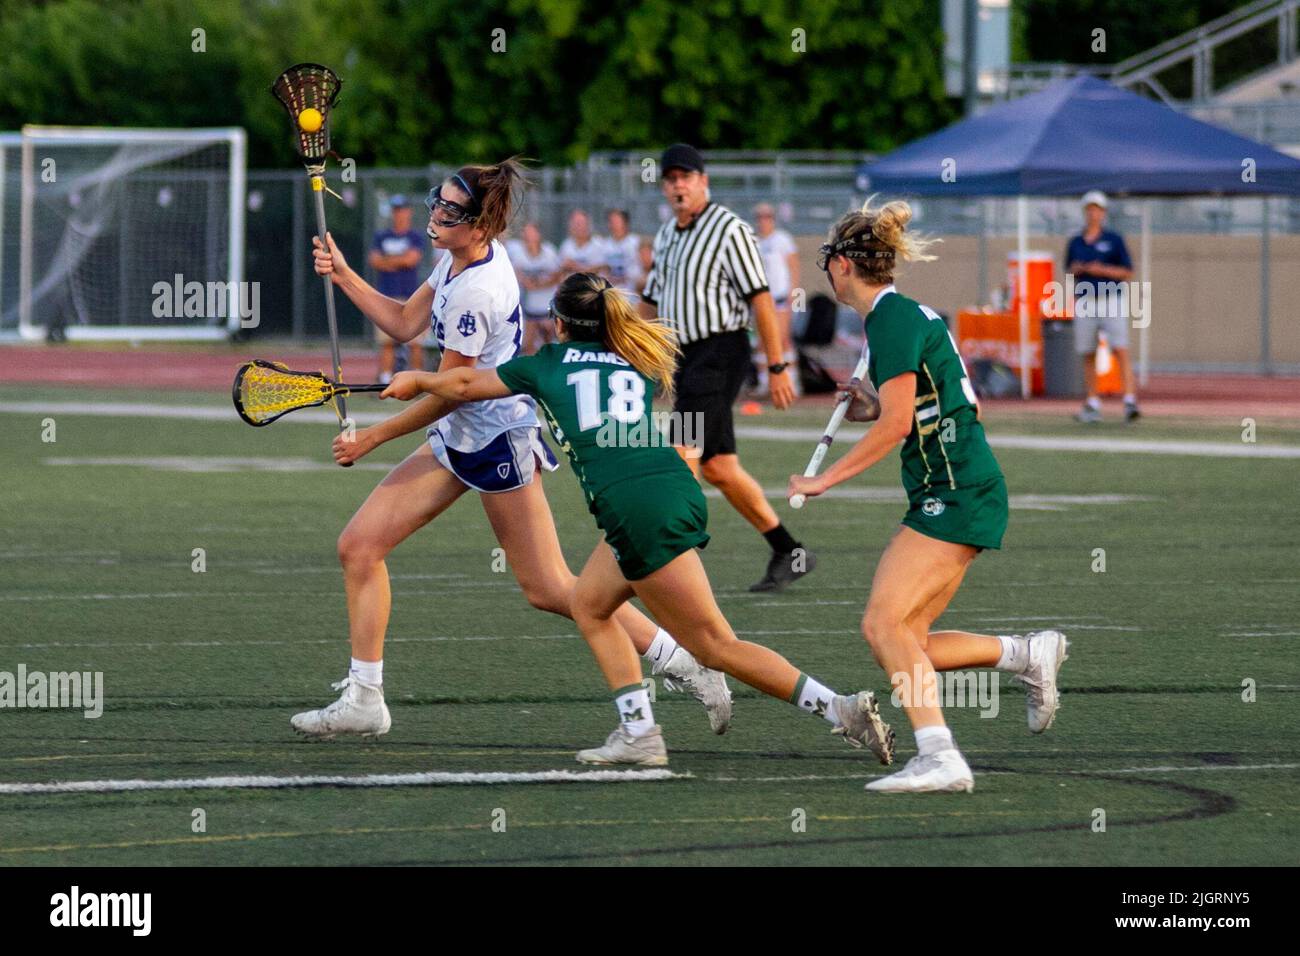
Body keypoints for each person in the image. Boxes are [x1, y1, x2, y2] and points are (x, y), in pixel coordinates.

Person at [291, 159, 731, 739]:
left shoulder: (478, 290)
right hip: (460, 438)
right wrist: (345, 275)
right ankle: (366, 698)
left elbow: (450, 392)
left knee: (551, 589)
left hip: (497, 441)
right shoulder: (457, 257)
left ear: (480, 226)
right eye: (436, 202)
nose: (435, 215)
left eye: (450, 210)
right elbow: (402, 323)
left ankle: (681, 661)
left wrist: (374, 436)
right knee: (359, 547)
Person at [382, 272, 895, 767]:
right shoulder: (628, 360)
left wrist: (419, 378)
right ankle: (638, 730)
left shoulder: (544, 366)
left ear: (559, 323)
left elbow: (467, 382)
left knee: (717, 646)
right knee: (589, 603)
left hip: (637, 510)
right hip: (670, 491)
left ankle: (841, 710)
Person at [787, 197, 1069, 794]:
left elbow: (895, 428)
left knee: (881, 625)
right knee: (908, 640)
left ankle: (940, 756)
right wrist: (863, 405)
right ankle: (1023, 654)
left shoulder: (890, 320)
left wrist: (823, 480)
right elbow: (905, 408)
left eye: (829, 259)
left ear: (843, 264)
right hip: (958, 484)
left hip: (955, 488)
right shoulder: (898, 316)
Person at [640, 143, 813, 593]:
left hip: (720, 349)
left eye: (686, 176)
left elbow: (760, 296)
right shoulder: (666, 235)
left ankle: (671, 553)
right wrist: (627, 349)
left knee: (682, 449)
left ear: (703, 180)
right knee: (718, 467)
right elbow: (651, 300)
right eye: (671, 177)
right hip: (683, 355)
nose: (679, 184)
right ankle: (787, 550)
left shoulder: (729, 228)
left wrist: (776, 364)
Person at [1067, 190, 1139, 423]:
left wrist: (1101, 270)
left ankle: (1129, 400)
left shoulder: (1113, 240)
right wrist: (1080, 268)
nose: (1093, 214)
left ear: (1103, 212)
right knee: (1088, 351)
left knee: (1120, 348)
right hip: (1086, 300)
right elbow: (1069, 267)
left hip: (1110, 299)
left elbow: (1127, 271)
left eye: (1097, 209)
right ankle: (1092, 401)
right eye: (1089, 209)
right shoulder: (1076, 241)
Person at [369, 195, 426, 381]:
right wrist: (399, 260)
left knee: (415, 342)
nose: (399, 214)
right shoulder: (381, 236)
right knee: (386, 342)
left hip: (410, 296)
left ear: (408, 212)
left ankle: (416, 379)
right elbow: (375, 261)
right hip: (386, 295)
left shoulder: (414, 236)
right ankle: (385, 380)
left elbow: (412, 259)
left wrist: (389, 261)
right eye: (396, 210)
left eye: (402, 210)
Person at [752, 202, 801, 397]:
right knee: (762, 341)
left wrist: (794, 292)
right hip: (762, 298)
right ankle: (765, 381)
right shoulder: (754, 241)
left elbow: (794, 266)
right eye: (760, 217)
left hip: (780, 297)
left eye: (767, 217)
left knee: (782, 339)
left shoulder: (782, 239)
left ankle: (792, 380)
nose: (764, 221)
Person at [512, 221, 563, 354]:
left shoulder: (549, 251)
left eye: (531, 232)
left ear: (538, 234)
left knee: (551, 343)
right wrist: (530, 283)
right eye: (525, 233)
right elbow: (519, 276)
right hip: (530, 310)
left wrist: (538, 285)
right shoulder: (519, 254)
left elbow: (557, 276)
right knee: (527, 346)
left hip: (548, 308)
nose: (528, 236)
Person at [601, 208, 643, 295]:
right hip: (610, 294)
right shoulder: (604, 245)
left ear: (626, 223)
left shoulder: (636, 242)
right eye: (611, 221)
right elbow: (602, 269)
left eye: (617, 221)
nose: (614, 224)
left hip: (632, 292)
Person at [559, 209, 606, 277]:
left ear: (588, 224)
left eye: (582, 223)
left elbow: (598, 270)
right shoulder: (566, 245)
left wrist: (575, 266)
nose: (579, 227)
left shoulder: (599, 244)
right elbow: (561, 271)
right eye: (576, 224)